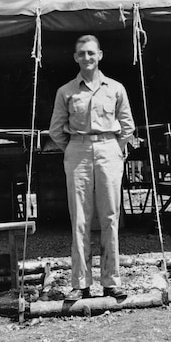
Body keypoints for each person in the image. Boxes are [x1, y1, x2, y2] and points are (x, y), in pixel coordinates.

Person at [49, 34, 135, 300]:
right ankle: (81, 283)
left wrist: (112, 149)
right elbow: (55, 130)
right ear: (75, 58)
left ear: (100, 55)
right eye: (81, 53)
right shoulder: (66, 91)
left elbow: (128, 126)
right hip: (78, 151)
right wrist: (76, 148)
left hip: (109, 148)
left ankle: (111, 281)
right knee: (80, 219)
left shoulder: (116, 88)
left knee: (110, 216)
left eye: (91, 53)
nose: (87, 58)